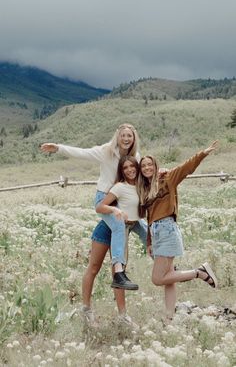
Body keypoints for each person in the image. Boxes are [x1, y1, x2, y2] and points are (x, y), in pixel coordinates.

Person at [40, 123, 146, 290]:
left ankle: (163, 261)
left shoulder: (136, 156)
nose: (126, 139)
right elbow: (82, 153)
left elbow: (145, 173)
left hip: (122, 201)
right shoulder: (106, 151)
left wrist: (160, 172)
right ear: (117, 137)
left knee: (145, 228)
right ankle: (118, 273)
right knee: (118, 225)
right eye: (123, 135)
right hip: (105, 200)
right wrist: (58, 148)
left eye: (129, 136)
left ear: (134, 139)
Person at [138, 141, 219, 323]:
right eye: (143, 166)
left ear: (156, 165)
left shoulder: (168, 179)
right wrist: (149, 241)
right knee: (168, 278)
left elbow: (186, 168)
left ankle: (199, 272)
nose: (147, 168)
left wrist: (202, 153)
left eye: (150, 164)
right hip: (156, 231)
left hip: (167, 229)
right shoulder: (144, 189)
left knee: (158, 278)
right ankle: (169, 317)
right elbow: (150, 217)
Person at [82, 155, 146, 327]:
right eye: (125, 168)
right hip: (106, 230)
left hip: (125, 231)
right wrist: (113, 210)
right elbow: (100, 206)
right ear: (121, 171)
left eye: (132, 166)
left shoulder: (141, 186)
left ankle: (122, 315)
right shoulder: (119, 186)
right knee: (94, 267)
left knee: (119, 273)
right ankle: (86, 310)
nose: (129, 170)